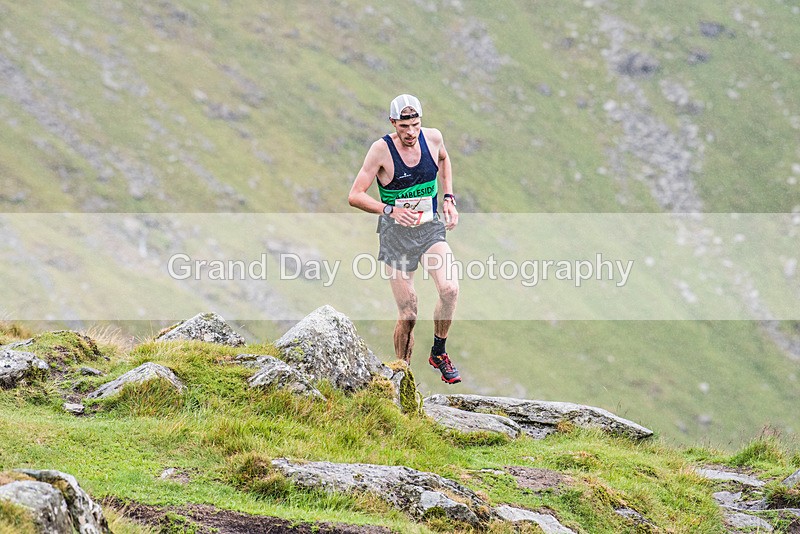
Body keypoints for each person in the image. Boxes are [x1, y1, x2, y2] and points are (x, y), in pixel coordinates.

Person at [348, 94, 461, 384]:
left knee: (449, 289)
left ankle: (438, 351)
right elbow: (355, 195)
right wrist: (390, 210)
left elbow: (445, 160)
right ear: (393, 123)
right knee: (409, 312)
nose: (410, 133)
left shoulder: (433, 139)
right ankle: (403, 374)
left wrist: (448, 197)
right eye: (403, 126)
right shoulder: (380, 150)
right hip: (395, 236)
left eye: (415, 125)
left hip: (429, 229)